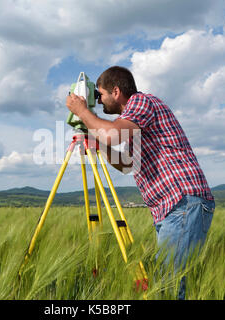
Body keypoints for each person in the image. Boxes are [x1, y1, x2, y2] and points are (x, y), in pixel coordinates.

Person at [66, 66, 215, 300]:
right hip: (172, 208)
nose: (100, 102)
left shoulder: (141, 102)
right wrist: (94, 135)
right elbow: (126, 164)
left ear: (116, 92)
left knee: (168, 286)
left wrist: (83, 112)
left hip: (182, 202)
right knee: (167, 281)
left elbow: (114, 134)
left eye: (100, 94)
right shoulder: (132, 123)